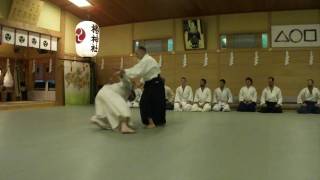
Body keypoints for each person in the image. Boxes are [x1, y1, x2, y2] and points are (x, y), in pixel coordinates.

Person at [124, 46, 166, 129]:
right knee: (155, 103)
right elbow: (146, 73)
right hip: (155, 83)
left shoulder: (147, 60)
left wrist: (124, 71)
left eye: (137, 53)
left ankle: (152, 123)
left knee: (144, 102)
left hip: (154, 83)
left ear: (142, 52)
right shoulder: (147, 60)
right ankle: (158, 121)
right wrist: (140, 84)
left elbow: (137, 70)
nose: (136, 55)